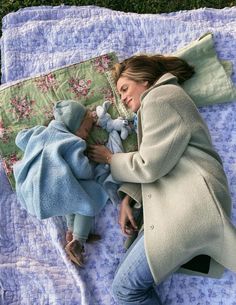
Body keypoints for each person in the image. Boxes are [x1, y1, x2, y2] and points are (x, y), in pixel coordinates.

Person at [88, 54, 236, 305]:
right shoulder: (164, 100)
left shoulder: (160, 98)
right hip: (188, 205)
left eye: (124, 88)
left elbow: (149, 165)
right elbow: (162, 156)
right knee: (125, 284)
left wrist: (111, 159)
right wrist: (129, 198)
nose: (122, 98)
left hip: (189, 208)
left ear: (144, 80)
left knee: (126, 291)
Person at [13, 100, 109, 267]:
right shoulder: (72, 142)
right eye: (86, 130)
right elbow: (82, 171)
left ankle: (71, 233)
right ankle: (79, 240)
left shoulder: (38, 132)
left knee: (69, 193)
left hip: (28, 193)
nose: (87, 135)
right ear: (74, 124)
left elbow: (20, 139)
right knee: (90, 195)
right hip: (51, 191)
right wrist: (90, 165)